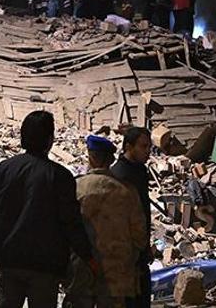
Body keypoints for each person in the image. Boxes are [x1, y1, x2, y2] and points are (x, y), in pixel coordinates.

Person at [0, 111, 94, 308]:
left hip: (8, 262)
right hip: (45, 267)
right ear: (50, 140)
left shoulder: (2, 170)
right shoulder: (60, 177)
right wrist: (87, 255)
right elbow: (71, 222)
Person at [66, 135, 147, 308]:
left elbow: (65, 229)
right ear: (110, 160)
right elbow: (140, 236)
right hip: (117, 274)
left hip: (82, 269)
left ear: (90, 157)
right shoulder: (127, 191)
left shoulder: (76, 188)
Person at [110, 127, 153, 308]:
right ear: (129, 146)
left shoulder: (139, 171)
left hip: (139, 247)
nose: (148, 151)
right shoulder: (120, 174)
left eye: (149, 147)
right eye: (143, 146)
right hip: (125, 252)